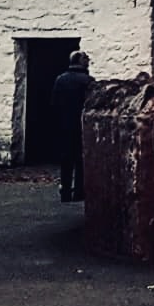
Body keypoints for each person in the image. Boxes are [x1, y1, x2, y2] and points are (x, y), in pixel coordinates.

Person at [50, 50, 93, 203]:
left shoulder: (60, 80)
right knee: (81, 158)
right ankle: (79, 191)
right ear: (80, 61)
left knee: (66, 159)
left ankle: (66, 192)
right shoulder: (88, 81)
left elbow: (54, 103)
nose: (88, 60)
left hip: (65, 125)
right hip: (81, 125)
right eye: (86, 58)